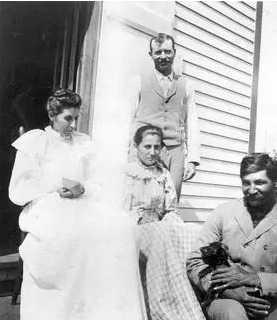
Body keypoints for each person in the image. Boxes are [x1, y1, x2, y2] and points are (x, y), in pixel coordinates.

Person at [9, 88, 146, 320]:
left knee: (121, 226)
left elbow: (97, 181)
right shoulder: (35, 141)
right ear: (53, 115)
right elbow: (20, 189)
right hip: (46, 205)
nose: (73, 125)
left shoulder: (83, 143)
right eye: (67, 118)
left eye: (76, 118)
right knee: (72, 234)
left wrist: (84, 188)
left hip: (82, 202)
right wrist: (54, 187)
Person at [125, 125, 206, 320]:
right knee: (162, 234)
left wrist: (173, 223)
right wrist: (137, 218)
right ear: (136, 147)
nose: (152, 152)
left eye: (156, 147)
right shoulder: (126, 173)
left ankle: (194, 298)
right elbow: (117, 210)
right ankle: (165, 310)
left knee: (192, 231)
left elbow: (170, 209)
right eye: (147, 147)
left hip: (158, 227)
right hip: (131, 229)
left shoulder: (163, 174)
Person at [186, 153, 277, 320]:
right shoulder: (224, 212)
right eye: (246, 183)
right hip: (226, 297)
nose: (252, 190)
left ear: (274, 183)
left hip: (271, 300)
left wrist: (256, 278)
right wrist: (228, 289)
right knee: (232, 314)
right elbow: (195, 261)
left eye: (260, 182)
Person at [128, 33, 200, 200]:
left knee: (170, 203)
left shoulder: (186, 85)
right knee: (140, 202)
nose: (163, 56)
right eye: (158, 52)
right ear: (151, 55)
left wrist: (192, 160)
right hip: (144, 150)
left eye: (167, 52)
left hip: (174, 153)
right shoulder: (138, 82)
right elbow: (126, 119)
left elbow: (193, 123)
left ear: (174, 53)